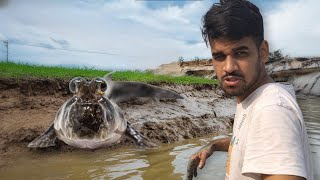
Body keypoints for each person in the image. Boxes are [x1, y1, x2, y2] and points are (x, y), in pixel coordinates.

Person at [186, 0, 314, 180]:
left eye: (240, 53)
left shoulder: (271, 110)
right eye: (219, 56)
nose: (229, 67)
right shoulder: (254, 100)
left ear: (262, 52)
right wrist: (213, 146)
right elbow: (247, 143)